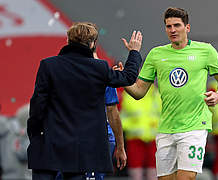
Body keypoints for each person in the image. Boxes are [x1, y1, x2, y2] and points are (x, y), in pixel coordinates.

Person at [124, 7, 218, 180]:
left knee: (185, 177)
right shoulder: (156, 54)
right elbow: (138, 92)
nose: (172, 30)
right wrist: (123, 80)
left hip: (194, 126)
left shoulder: (206, 51)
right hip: (166, 128)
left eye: (177, 25)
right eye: (168, 26)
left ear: (187, 28)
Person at [27, 22, 143, 180]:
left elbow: (37, 105)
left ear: (68, 40)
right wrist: (134, 52)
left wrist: (34, 133)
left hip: (49, 144)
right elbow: (128, 78)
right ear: (93, 44)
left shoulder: (48, 65)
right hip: (81, 150)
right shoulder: (99, 68)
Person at [121, 84, 161, 180]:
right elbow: (123, 117)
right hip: (135, 139)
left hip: (154, 140)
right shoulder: (129, 94)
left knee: (153, 173)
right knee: (136, 173)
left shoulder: (157, 94)